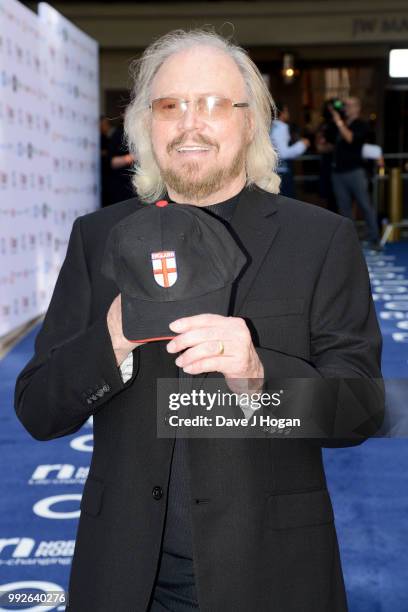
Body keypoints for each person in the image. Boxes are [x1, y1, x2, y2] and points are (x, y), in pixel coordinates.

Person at [15, 29, 384, 612]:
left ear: (251, 122)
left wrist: (260, 376)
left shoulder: (320, 240)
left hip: (272, 578)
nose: (190, 124)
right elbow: (37, 408)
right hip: (124, 578)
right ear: (146, 126)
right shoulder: (99, 238)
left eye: (213, 104)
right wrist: (109, 342)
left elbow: (362, 410)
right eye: (170, 106)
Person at [330, 97, 381, 249]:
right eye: (345, 105)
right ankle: (350, 241)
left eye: (349, 105)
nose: (346, 108)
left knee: (365, 205)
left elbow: (350, 138)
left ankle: (374, 238)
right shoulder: (343, 124)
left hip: (355, 171)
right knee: (344, 208)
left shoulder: (361, 125)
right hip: (338, 172)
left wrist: (339, 122)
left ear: (357, 108)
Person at [269, 102, 310, 197]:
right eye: (287, 111)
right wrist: (302, 145)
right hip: (282, 171)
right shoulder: (281, 127)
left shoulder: (271, 126)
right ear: (282, 113)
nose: (288, 113)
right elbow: (283, 153)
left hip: (274, 170)